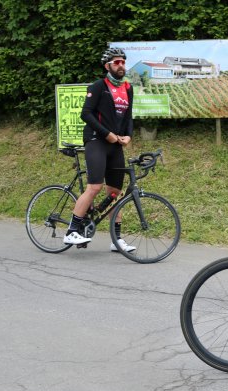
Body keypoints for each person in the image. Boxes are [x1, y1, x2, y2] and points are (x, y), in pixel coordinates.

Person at [63, 47, 136, 253]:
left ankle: (116, 239)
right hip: (96, 141)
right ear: (108, 66)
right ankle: (71, 231)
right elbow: (86, 114)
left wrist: (128, 135)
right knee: (94, 187)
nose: (121, 65)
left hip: (115, 145)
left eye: (122, 62)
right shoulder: (98, 86)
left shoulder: (128, 88)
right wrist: (107, 134)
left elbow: (129, 116)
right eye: (116, 62)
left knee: (115, 193)